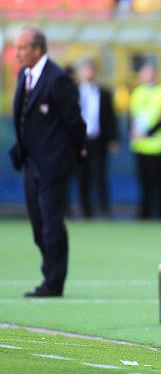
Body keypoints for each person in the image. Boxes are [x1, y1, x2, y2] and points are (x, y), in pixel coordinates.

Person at [9, 27, 86, 297]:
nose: (17, 54)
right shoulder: (24, 75)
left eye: (21, 48)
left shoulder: (57, 79)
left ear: (38, 49)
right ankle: (48, 274)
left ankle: (54, 281)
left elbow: (74, 120)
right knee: (38, 224)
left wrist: (79, 150)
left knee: (52, 223)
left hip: (53, 163)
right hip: (31, 162)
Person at [129, 63, 161, 219]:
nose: (149, 76)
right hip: (141, 145)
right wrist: (135, 134)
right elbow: (134, 116)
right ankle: (144, 214)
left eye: (152, 72)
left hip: (158, 144)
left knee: (160, 183)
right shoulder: (137, 92)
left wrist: (148, 133)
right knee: (144, 183)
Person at [77, 60, 119, 218]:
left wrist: (113, 138)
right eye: (86, 70)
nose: (89, 73)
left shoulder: (104, 93)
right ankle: (85, 210)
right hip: (79, 141)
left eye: (91, 70)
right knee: (82, 175)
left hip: (98, 140)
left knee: (100, 174)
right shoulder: (73, 92)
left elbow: (110, 117)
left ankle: (104, 209)